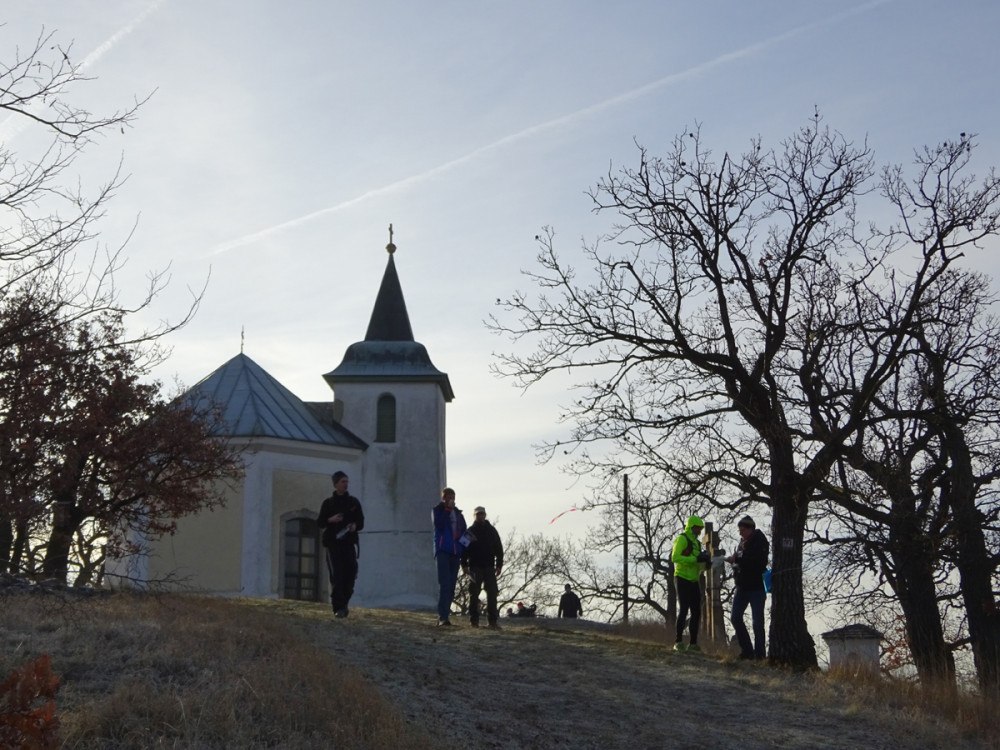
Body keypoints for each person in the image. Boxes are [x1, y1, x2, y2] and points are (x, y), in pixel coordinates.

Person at [316, 471, 365, 618]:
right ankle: (339, 607)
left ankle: (344, 603)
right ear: (336, 484)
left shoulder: (353, 503)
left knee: (351, 573)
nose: (346, 484)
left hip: (349, 543)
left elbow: (361, 522)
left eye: (347, 481)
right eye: (343, 481)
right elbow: (320, 522)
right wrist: (331, 520)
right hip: (333, 543)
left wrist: (355, 526)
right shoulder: (328, 503)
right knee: (337, 575)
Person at [726, 515, 770, 660]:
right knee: (735, 617)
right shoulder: (741, 543)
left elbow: (758, 561)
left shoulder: (760, 541)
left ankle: (759, 655)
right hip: (742, 587)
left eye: (742, 529)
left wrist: (737, 559)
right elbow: (742, 560)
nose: (740, 533)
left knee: (757, 623)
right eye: (739, 530)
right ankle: (747, 650)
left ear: (750, 528)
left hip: (756, 587)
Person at [671, 514, 710, 652]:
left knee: (696, 612)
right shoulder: (682, 539)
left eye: (700, 529)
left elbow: (698, 565)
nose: (699, 531)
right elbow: (675, 557)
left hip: (693, 580)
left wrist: (706, 564)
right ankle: (678, 641)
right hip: (681, 578)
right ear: (692, 527)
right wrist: (695, 559)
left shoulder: (697, 544)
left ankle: (693, 643)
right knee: (683, 609)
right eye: (698, 528)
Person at [461, 505, 504, 629]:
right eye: (478, 514)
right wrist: (464, 565)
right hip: (474, 566)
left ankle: (492, 621)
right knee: (474, 594)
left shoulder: (492, 530)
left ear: (485, 515)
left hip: (489, 567)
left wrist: (499, 565)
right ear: (474, 516)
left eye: (482, 514)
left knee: (492, 593)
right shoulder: (469, 531)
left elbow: (498, 549)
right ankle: (473, 620)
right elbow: (463, 550)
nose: (480, 516)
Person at [432, 487, 467, 627]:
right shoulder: (437, 510)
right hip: (443, 551)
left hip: (455, 552)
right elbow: (439, 524)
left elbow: (463, 531)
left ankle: (445, 615)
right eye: (448, 497)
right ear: (443, 498)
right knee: (445, 584)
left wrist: (466, 544)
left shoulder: (459, 514)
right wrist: (447, 510)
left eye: (453, 497)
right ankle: (442, 617)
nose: (451, 499)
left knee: (451, 586)